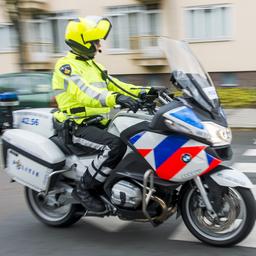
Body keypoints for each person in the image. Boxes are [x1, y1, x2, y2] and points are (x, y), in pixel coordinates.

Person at [52, 16, 158, 213]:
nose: (99, 45)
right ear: (82, 41)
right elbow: (85, 93)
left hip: (99, 122)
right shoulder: (66, 66)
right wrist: (116, 99)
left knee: (136, 137)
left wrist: (147, 90)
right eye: (95, 41)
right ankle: (84, 189)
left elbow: (119, 86)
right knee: (114, 146)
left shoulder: (95, 66)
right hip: (77, 125)